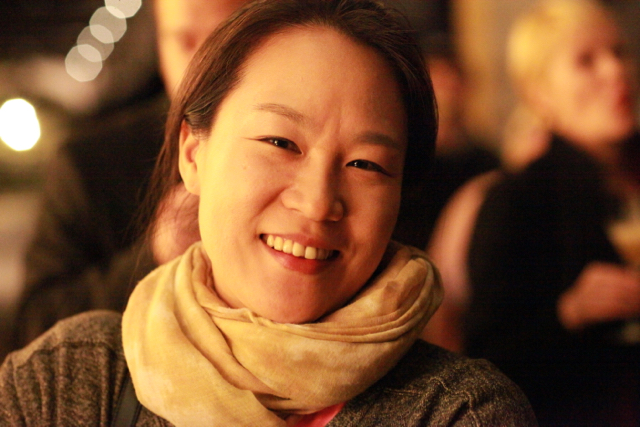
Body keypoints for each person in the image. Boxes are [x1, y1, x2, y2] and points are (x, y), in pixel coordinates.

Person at [0, 1, 537, 425]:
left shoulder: (458, 411)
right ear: (193, 155)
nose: (318, 202)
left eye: (366, 164)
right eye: (280, 142)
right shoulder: (67, 378)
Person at [9, 0, 251, 354]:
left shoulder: (305, 155)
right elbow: (33, 327)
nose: (204, 63)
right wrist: (154, 254)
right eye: (184, 39)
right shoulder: (89, 163)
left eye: (226, 41)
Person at [465, 0, 640, 425]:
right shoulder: (517, 200)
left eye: (619, 53)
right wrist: (570, 313)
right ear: (540, 93)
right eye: (586, 61)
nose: (616, 71)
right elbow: (486, 360)